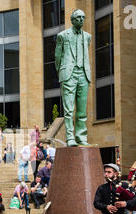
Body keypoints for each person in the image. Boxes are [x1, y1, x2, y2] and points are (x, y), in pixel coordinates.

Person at [55, 9, 92, 147]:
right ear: (72, 19)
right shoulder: (63, 36)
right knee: (69, 109)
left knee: (82, 109)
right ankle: (70, 137)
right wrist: (62, 72)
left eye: (83, 17)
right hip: (69, 74)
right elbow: (57, 56)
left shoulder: (87, 36)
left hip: (83, 73)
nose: (81, 19)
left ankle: (81, 136)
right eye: (78, 17)